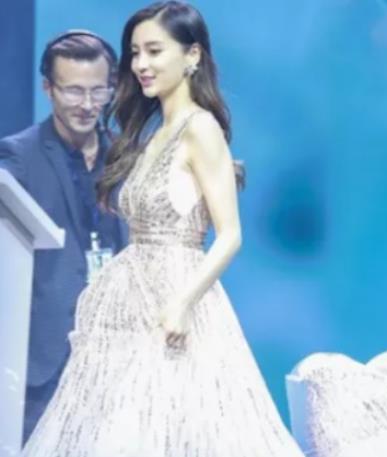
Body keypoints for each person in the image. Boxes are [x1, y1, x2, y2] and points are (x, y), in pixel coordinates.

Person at [22, 2, 304, 455]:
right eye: (135, 53)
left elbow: (230, 235)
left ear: (192, 55)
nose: (141, 64)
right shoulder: (154, 133)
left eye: (154, 51)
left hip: (174, 298)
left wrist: (182, 303)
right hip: (129, 303)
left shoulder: (201, 128)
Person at [0, 29, 127, 443]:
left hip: (118, 352)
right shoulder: (18, 156)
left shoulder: (127, 156)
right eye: (73, 91)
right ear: (48, 89)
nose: (87, 104)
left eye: (98, 90)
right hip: (46, 357)